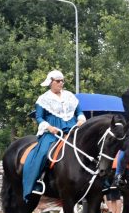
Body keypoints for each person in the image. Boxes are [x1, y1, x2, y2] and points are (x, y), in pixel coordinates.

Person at [23, 70, 86, 201]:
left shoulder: (70, 96)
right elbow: (39, 117)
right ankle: (37, 181)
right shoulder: (43, 99)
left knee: (88, 148)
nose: (61, 83)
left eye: (62, 81)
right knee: (43, 152)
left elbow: (79, 111)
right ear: (51, 82)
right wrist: (49, 127)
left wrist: (80, 119)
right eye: (58, 81)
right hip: (53, 132)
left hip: (72, 130)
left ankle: (98, 183)